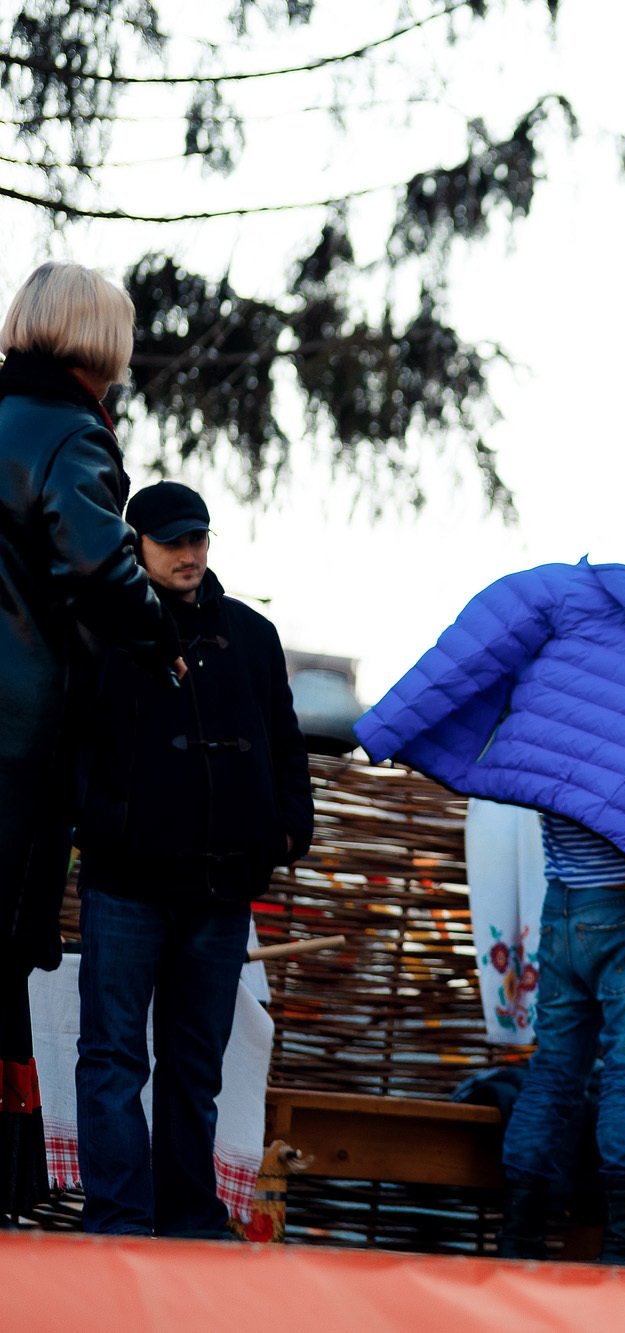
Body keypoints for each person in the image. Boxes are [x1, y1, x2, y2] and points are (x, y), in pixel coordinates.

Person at [356, 560, 625, 1267]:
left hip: (563, 903)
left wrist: (392, 724)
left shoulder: (566, 598)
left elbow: (470, 648)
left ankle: (519, 1234)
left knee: (553, 1072)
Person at [71, 481, 312, 1236]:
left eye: (199, 538)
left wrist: (285, 832)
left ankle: (185, 1220)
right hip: (127, 884)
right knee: (113, 1059)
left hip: (219, 887)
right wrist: (110, 826)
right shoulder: (99, 631)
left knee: (194, 1066)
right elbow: (69, 747)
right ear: (135, 543)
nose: (189, 553)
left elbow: (284, 745)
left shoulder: (252, 634)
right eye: (173, 540)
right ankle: (116, 1217)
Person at [0, 262, 180, 1222]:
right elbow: (101, 572)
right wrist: (171, 636)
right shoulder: (70, 430)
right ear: (98, 342)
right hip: (18, 738)